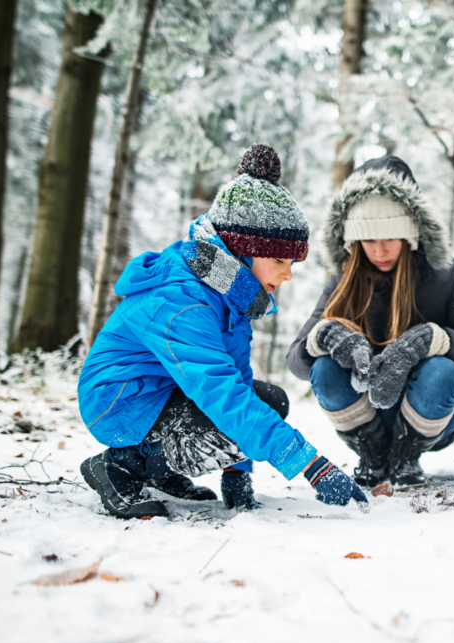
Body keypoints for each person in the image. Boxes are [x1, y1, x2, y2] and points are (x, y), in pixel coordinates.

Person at [78, 143, 368, 519]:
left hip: (164, 393)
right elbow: (221, 394)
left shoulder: (230, 295)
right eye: (279, 260)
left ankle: (157, 467)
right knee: (233, 413)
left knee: (269, 400)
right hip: (119, 401)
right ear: (241, 251)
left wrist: (238, 474)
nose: (287, 273)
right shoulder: (183, 302)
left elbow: (239, 384)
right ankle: (119, 465)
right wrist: (312, 467)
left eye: (292, 262)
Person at [287, 156, 454, 487]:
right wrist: (326, 337)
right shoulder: (344, 278)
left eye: (390, 236)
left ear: (411, 232)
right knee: (324, 368)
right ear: (353, 240)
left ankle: (406, 454)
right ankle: (371, 453)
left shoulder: (448, 274)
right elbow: (297, 363)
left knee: (442, 372)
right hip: (366, 412)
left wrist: (431, 340)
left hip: (430, 408)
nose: (380, 249)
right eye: (368, 239)